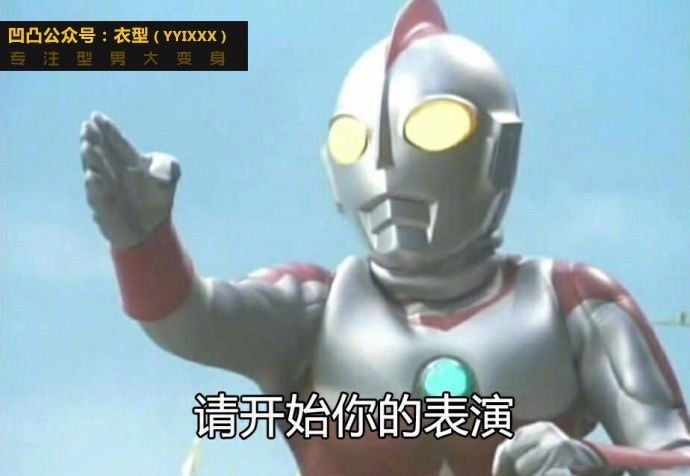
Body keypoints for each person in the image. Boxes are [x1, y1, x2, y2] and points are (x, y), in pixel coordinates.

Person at [79, 1, 690, 474]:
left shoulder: (573, 306)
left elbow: (676, 457)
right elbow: (193, 320)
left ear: (499, 148)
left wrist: (597, 461)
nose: (389, 167)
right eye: (357, 141)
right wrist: (144, 244)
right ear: (332, 167)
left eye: (433, 127)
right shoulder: (313, 309)